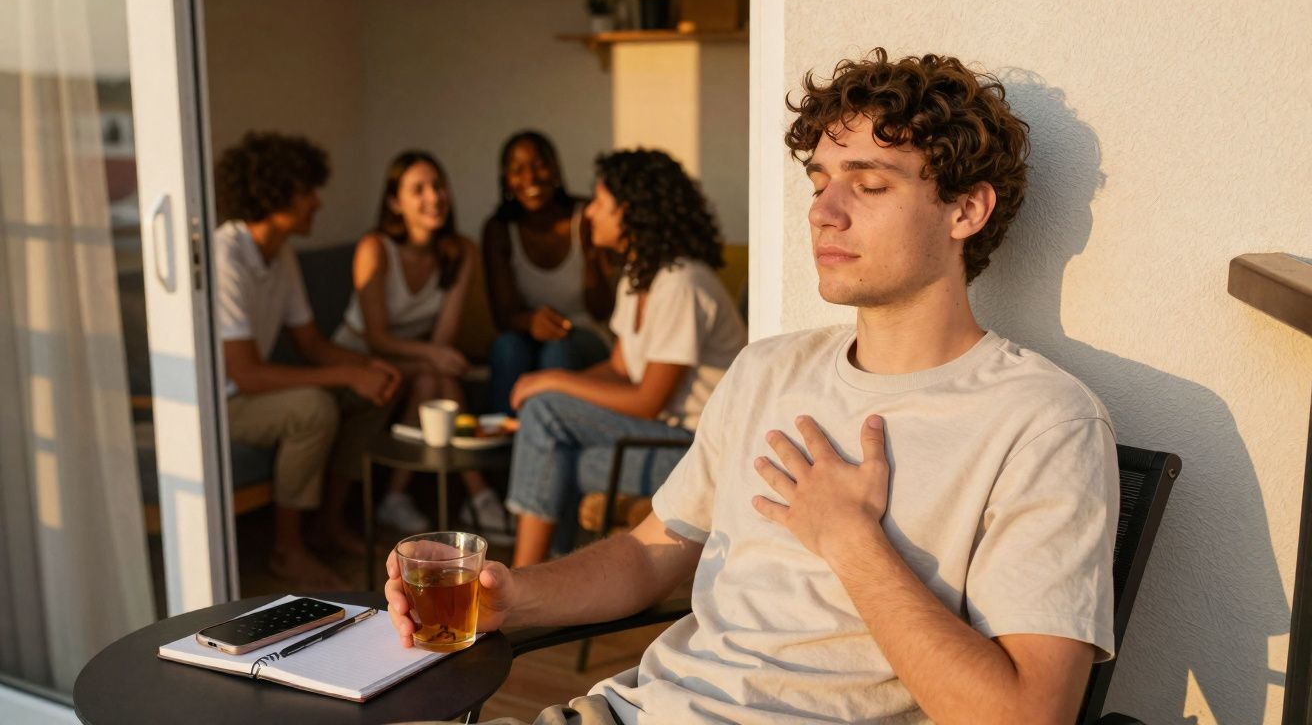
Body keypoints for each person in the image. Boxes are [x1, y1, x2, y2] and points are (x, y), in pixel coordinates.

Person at [385, 49, 1119, 724]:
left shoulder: (1042, 422)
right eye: (821, 183)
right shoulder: (769, 370)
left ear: (967, 209)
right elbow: (649, 553)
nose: (823, 212)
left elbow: (1027, 714)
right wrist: (512, 596)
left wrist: (850, 540)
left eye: (868, 184)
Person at [500, 149, 747, 569]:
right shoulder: (639, 278)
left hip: (694, 451)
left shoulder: (682, 283)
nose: (589, 212)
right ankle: (549, 584)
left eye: (599, 202)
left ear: (630, 212)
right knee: (557, 455)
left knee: (545, 420)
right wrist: (556, 402)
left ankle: (521, 584)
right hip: (655, 437)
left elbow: (647, 400)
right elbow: (618, 369)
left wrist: (551, 383)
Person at [214, 131, 402, 589]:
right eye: (307, 192)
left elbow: (312, 343)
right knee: (313, 407)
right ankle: (286, 552)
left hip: (250, 391)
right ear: (274, 193)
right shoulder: (225, 255)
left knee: (368, 393)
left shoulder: (281, 253)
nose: (317, 203)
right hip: (220, 404)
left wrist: (364, 369)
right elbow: (247, 374)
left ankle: (328, 524)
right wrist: (346, 373)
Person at [330, 150, 511, 539]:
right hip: (360, 357)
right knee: (434, 372)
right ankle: (479, 496)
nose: (434, 197)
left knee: (432, 381)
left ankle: (396, 498)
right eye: (419, 189)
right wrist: (433, 355)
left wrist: (435, 355)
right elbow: (375, 337)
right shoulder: (374, 248)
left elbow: (442, 339)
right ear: (395, 202)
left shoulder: (461, 251)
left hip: (415, 359)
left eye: (438, 186)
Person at [482, 131, 616, 416]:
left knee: (558, 352)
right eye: (517, 169)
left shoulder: (587, 217)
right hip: (525, 334)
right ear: (506, 179)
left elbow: (602, 310)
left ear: (556, 170)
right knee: (507, 348)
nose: (530, 177)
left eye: (540, 165)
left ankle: (557, 445)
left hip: (587, 335)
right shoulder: (499, 230)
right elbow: (503, 317)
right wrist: (532, 321)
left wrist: (590, 253)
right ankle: (500, 447)